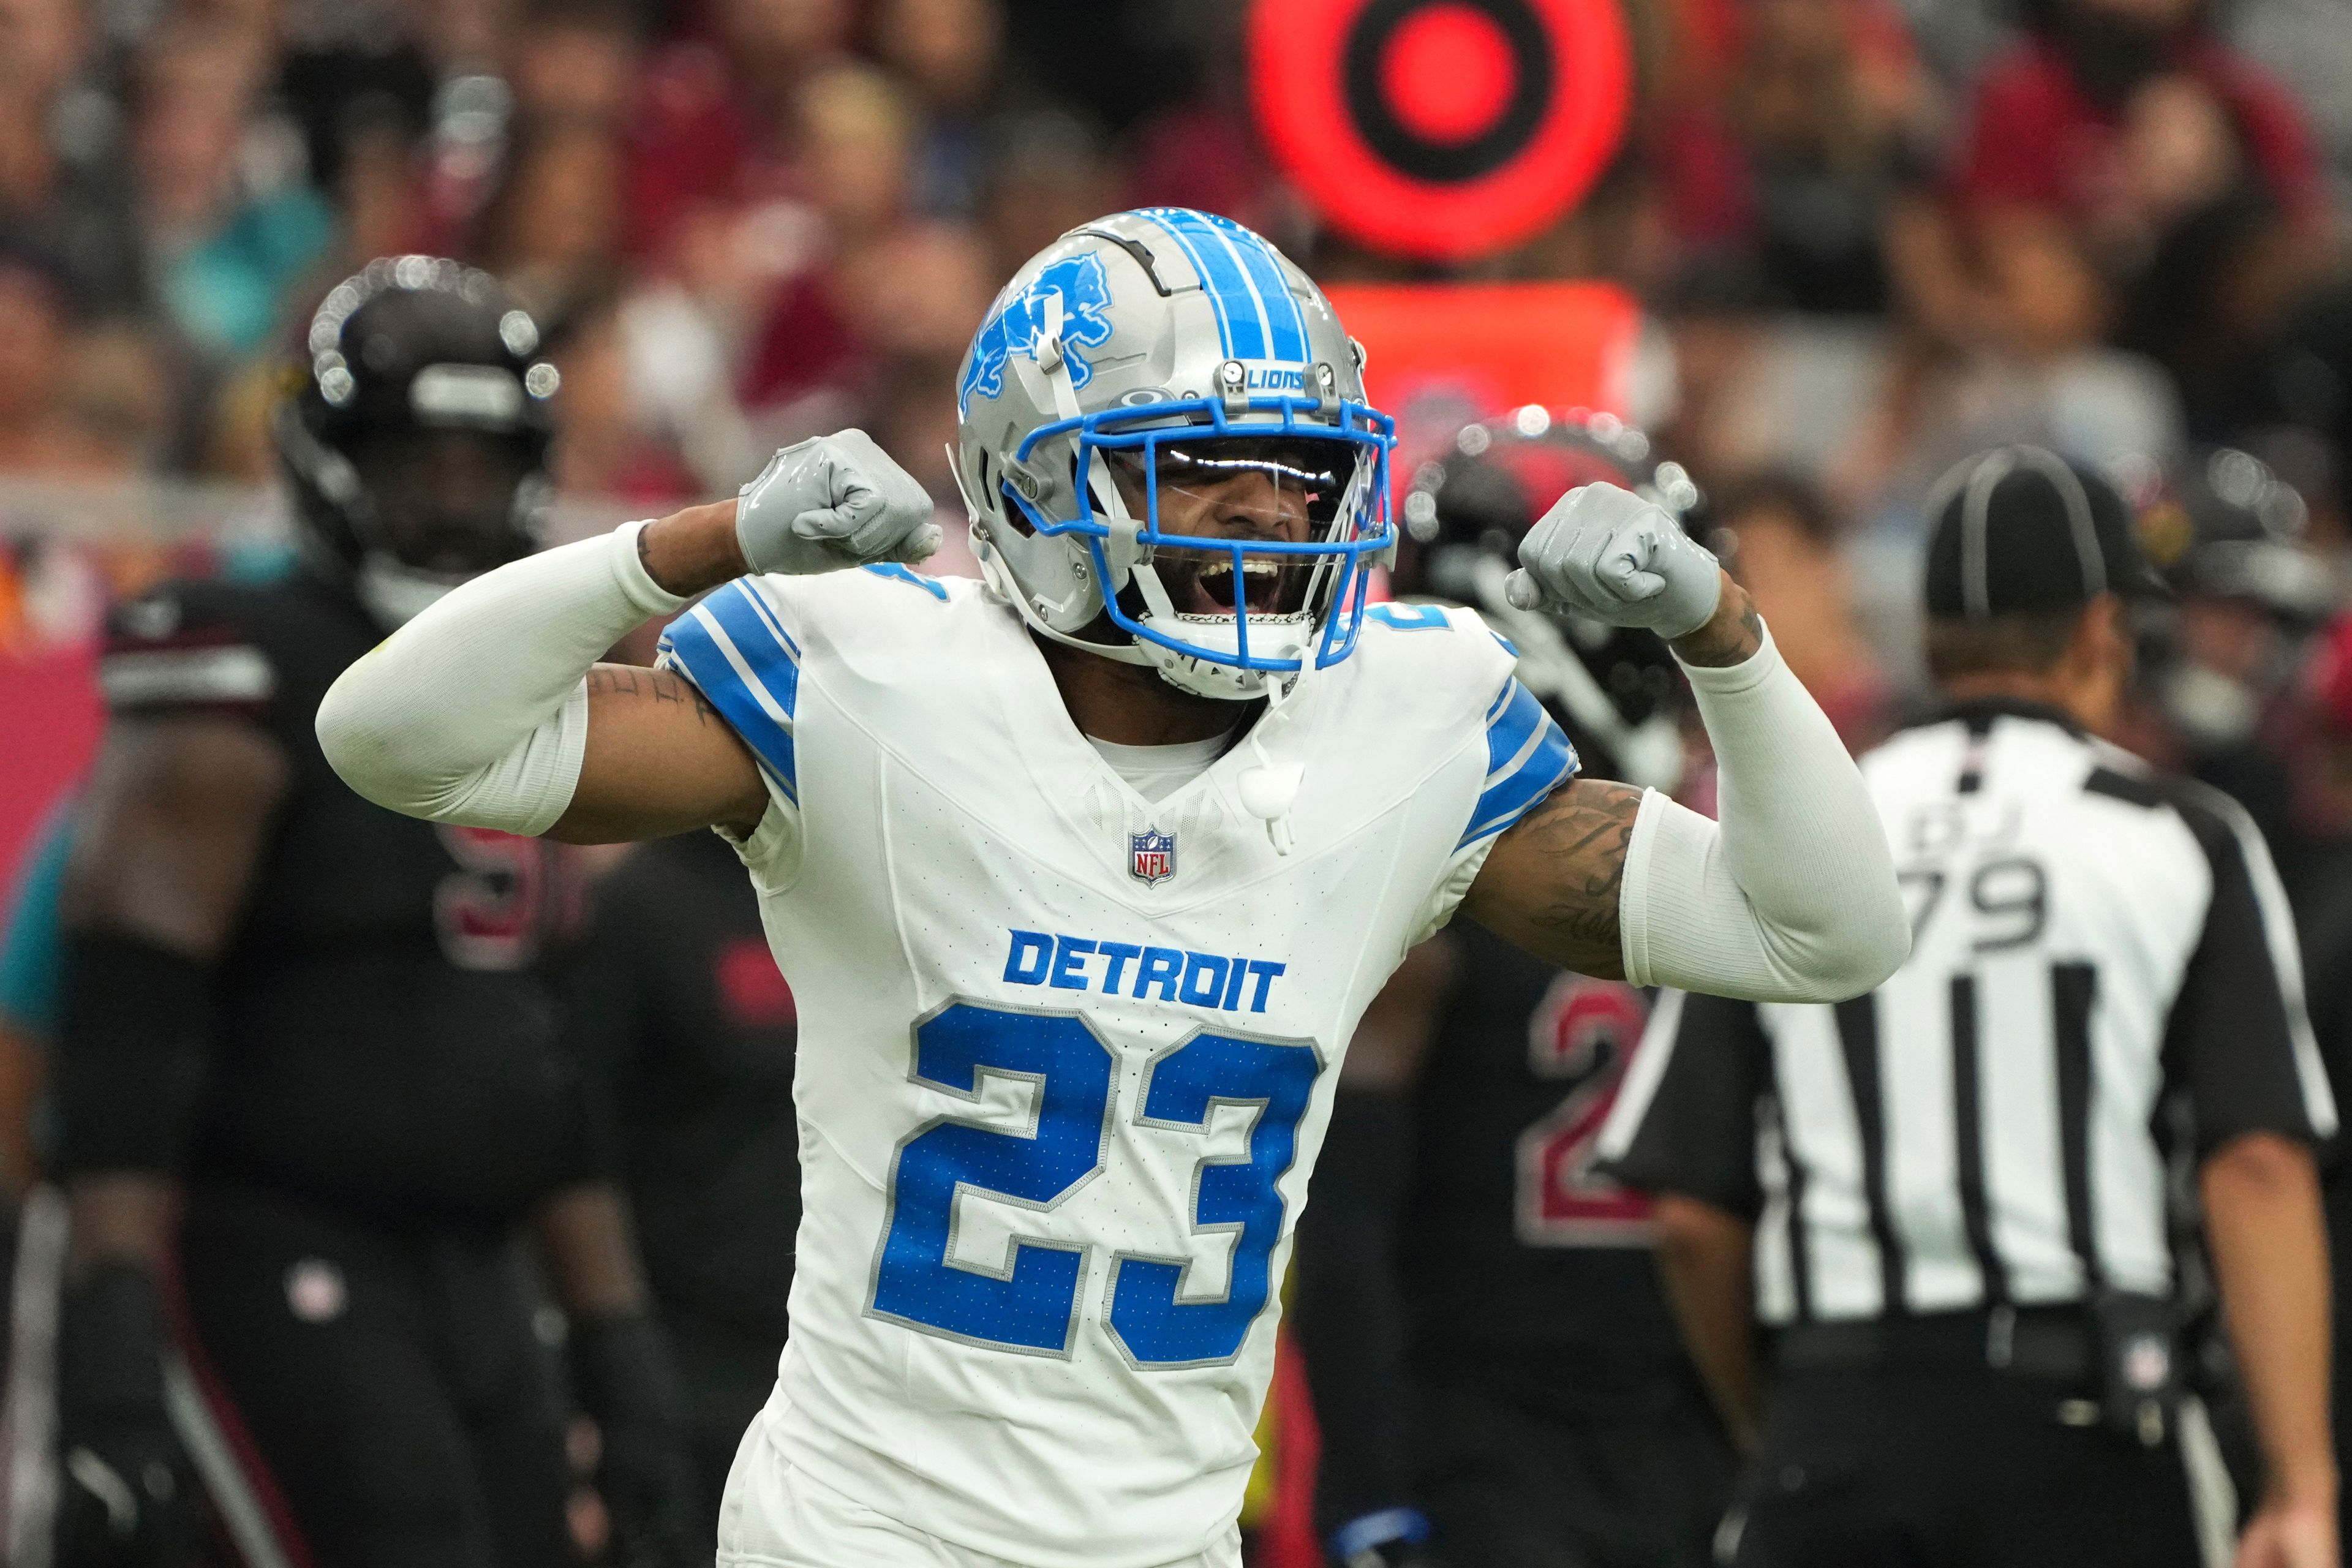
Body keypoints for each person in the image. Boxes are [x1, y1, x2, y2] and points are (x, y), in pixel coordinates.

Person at [315, 207, 1910, 1568]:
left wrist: (1726, 636)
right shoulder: (875, 673)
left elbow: (1825, 928)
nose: (1272, 521)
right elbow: (397, 739)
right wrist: (691, 545)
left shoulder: (1407, 722)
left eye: (1297, 477)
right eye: (1208, 471)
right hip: (867, 1536)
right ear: (1036, 480)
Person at [50, 257, 696, 1568]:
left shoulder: (544, 675)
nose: (452, 501)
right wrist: (107, 1323)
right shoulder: (241, 654)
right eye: (417, 460)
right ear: (330, 457)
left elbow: (539, 1043)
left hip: (475, 1259)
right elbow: (127, 1024)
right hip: (279, 1235)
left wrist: (619, 1345)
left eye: (479, 462)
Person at [1601, 445, 2339, 1568]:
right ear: (2105, 629)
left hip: (1837, 1416)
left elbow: (1695, 1214)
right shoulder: (2178, 836)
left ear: (1932, 634)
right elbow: (2258, 1168)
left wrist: (1791, 1427)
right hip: (2083, 1433)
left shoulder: (1808, 831)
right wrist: (2300, 1483)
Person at [1291, 413, 1735, 1568]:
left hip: (1660, 1421)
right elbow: (1343, 1222)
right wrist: (1373, 1478)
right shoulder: (1428, 861)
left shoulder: (1685, 852)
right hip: (1493, 1437)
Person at [560, 828, 801, 1544]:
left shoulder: (857, 890)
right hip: (696, 1357)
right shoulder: (639, 906)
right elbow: (576, 1144)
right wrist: (615, 1357)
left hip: (849, 1346)